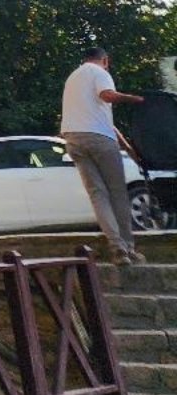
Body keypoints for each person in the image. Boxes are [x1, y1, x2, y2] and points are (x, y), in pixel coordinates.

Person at [60, 46, 146, 265]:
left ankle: (116, 247)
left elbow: (105, 120)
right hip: (99, 140)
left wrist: (127, 147)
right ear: (105, 60)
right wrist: (134, 99)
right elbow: (106, 96)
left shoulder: (73, 78)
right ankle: (128, 247)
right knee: (118, 193)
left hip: (74, 140)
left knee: (98, 194)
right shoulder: (99, 73)